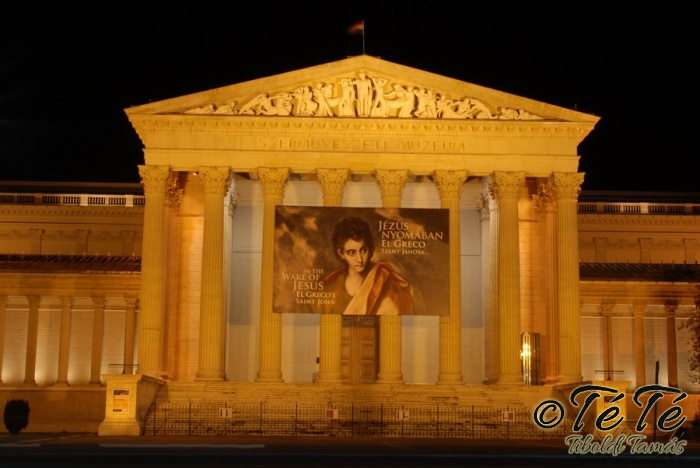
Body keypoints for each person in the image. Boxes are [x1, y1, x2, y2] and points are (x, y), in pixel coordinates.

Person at [319, 217, 414, 315]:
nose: (360, 259)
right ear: (341, 253)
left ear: (370, 249)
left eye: (363, 250)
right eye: (352, 252)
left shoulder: (388, 285)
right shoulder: (328, 292)